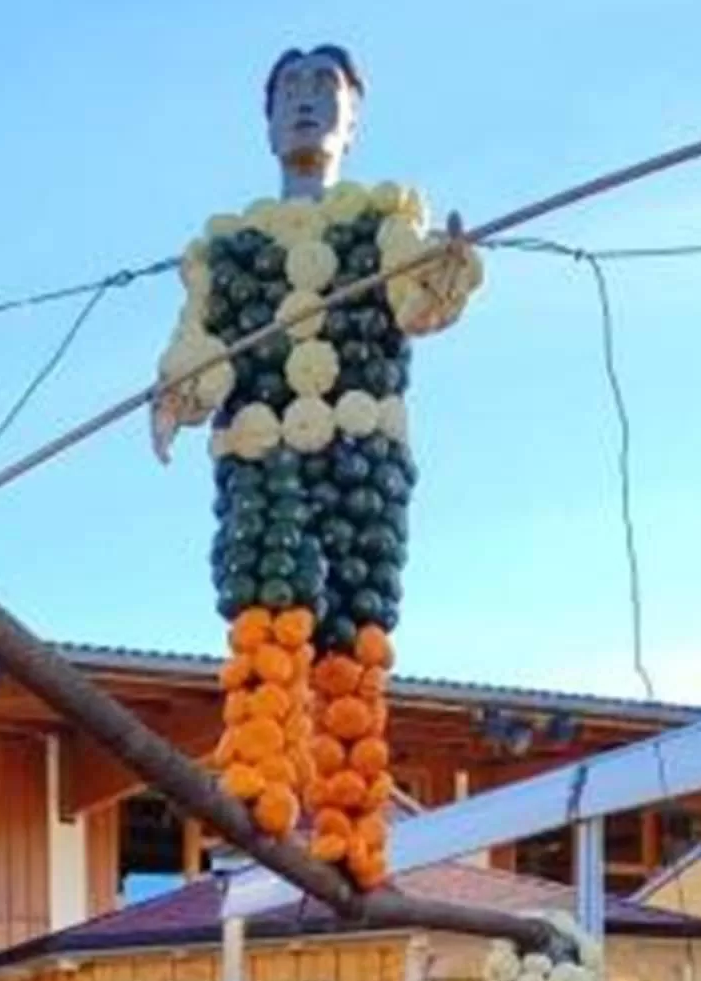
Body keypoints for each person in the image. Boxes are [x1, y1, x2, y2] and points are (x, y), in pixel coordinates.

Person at [154, 47, 481, 888]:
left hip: (360, 452)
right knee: (266, 608)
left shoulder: (383, 218)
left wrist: (445, 269)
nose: (306, 104)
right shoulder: (228, 249)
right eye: (290, 91)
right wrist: (179, 392)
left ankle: (350, 827)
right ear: (266, 121)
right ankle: (258, 789)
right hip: (261, 449)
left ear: (353, 117)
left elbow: (418, 300)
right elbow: (201, 350)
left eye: (323, 90)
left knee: (352, 640)